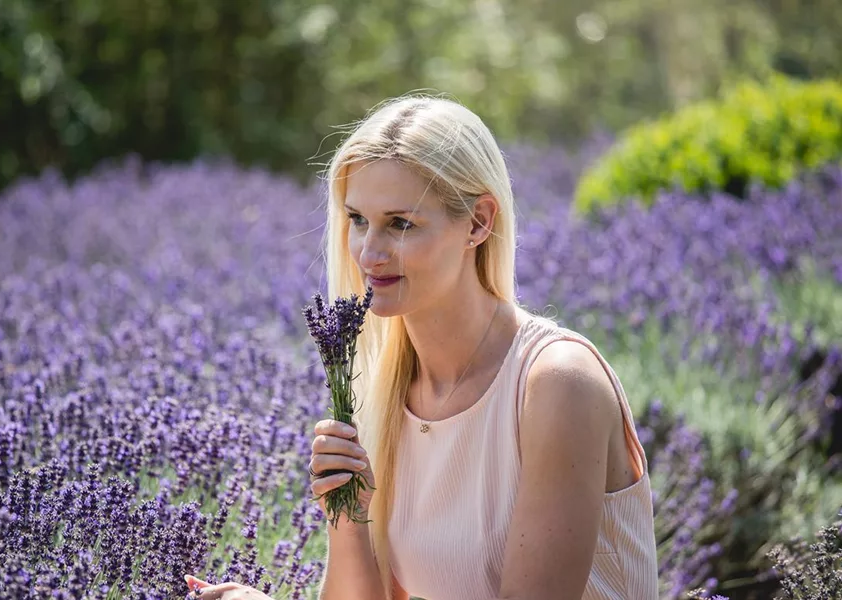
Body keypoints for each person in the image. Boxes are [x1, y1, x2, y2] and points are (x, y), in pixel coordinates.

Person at [185, 95, 658, 600]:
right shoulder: (382, 392)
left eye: (401, 224)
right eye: (358, 220)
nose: (370, 252)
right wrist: (350, 520)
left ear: (478, 222)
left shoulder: (556, 384)